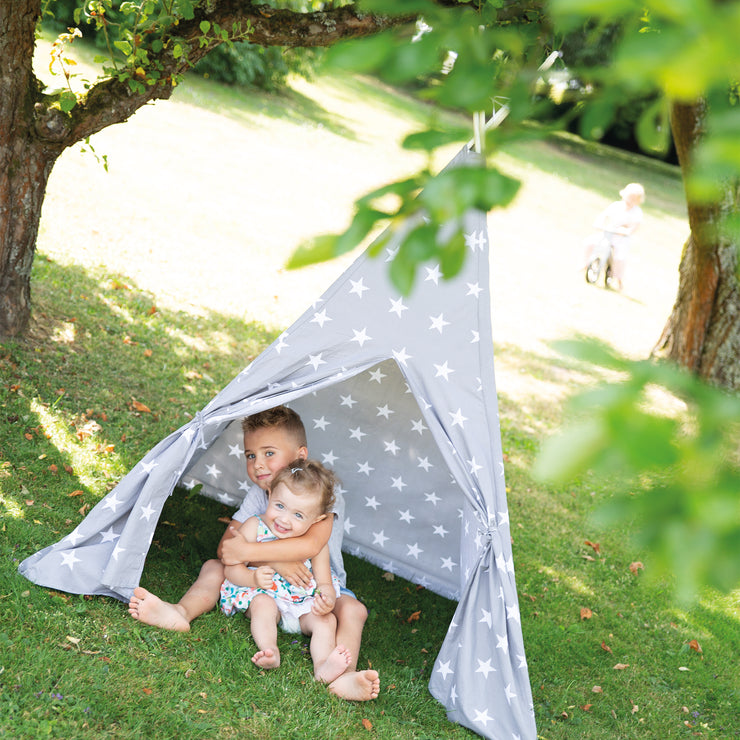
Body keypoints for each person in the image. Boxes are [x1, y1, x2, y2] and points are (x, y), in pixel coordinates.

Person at [128, 405, 379, 701]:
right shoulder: (258, 495)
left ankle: (344, 675)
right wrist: (272, 561)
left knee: (354, 610)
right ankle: (181, 612)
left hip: (315, 585)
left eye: (269, 453)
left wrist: (255, 553)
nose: (258, 464)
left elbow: (310, 547)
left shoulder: (324, 493)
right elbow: (227, 548)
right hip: (263, 581)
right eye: (251, 455)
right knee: (213, 567)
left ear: (300, 455)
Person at [220, 459, 352, 686]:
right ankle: (269, 649)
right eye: (280, 506)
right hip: (263, 595)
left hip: (300, 604)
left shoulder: (315, 543)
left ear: (317, 520)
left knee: (326, 621)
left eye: (298, 515)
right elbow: (230, 569)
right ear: (269, 495)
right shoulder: (255, 526)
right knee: (263, 605)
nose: (284, 519)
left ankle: (322, 666)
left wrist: (327, 598)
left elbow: (324, 581)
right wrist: (252, 578)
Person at [583, 182, 645, 290]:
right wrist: (599, 224)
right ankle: (585, 264)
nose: (630, 201)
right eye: (629, 198)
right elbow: (604, 215)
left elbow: (636, 225)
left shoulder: (636, 212)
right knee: (590, 243)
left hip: (621, 237)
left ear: (638, 201)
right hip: (608, 233)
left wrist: (628, 231)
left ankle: (618, 279)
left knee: (619, 258)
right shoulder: (616, 205)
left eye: (633, 199)